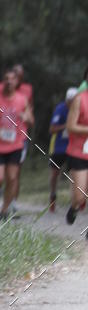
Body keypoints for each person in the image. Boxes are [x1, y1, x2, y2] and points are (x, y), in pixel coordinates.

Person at [0, 69, 34, 220]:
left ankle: (4, 211)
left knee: (12, 178)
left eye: (12, 79)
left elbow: (31, 120)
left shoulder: (22, 99)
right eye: (6, 79)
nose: (9, 81)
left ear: (17, 82)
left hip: (15, 145)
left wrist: (26, 117)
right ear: (3, 81)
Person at [48, 88, 77, 212]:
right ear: (67, 100)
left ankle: (75, 201)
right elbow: (52, 129)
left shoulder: (80, 109)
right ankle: (53, 195)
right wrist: (67, 126)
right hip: (58, 146)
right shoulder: (60, 109)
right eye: (71, 101)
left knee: (74, 174)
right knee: (55, 173)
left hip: (73, 146)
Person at [64, 77, 88, 227]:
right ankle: (73, 208)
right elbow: (70, 127)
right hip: (79, 152)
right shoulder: (79, 99)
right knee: (80, 198)